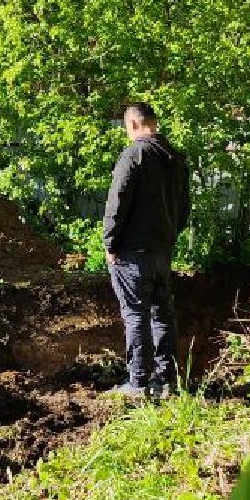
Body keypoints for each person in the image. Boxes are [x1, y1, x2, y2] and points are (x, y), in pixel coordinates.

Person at [102, 102, 191, 398]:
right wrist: (168, 238)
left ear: (133, 125)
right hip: (162, 252)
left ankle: (138, 382)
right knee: (162, 315)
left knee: (135, 315)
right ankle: (167, 381)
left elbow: (118, 201)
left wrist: (110, 243)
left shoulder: (134, 154)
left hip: (132, 252)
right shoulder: (176, 159)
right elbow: (183, 210)